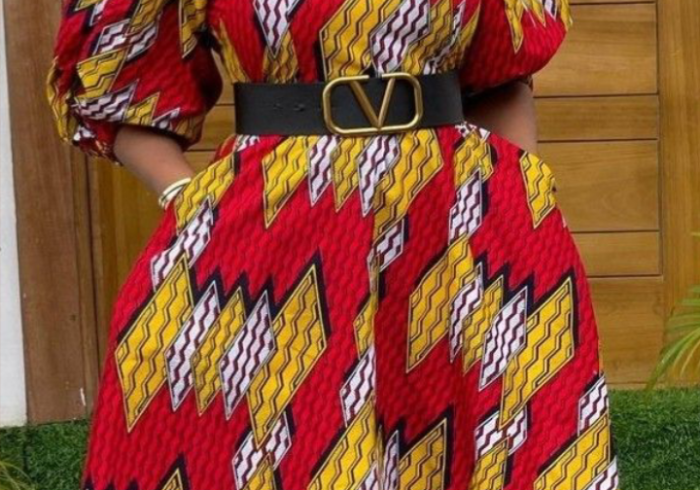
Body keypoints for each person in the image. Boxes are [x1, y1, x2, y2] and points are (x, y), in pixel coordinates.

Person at [46, 1, 619, 489]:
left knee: (492, 438)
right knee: (271, 440)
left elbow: (503, 75)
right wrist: (191, 202)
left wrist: (517, 194)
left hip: (454, 221)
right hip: (272, 225)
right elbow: (119, 87)